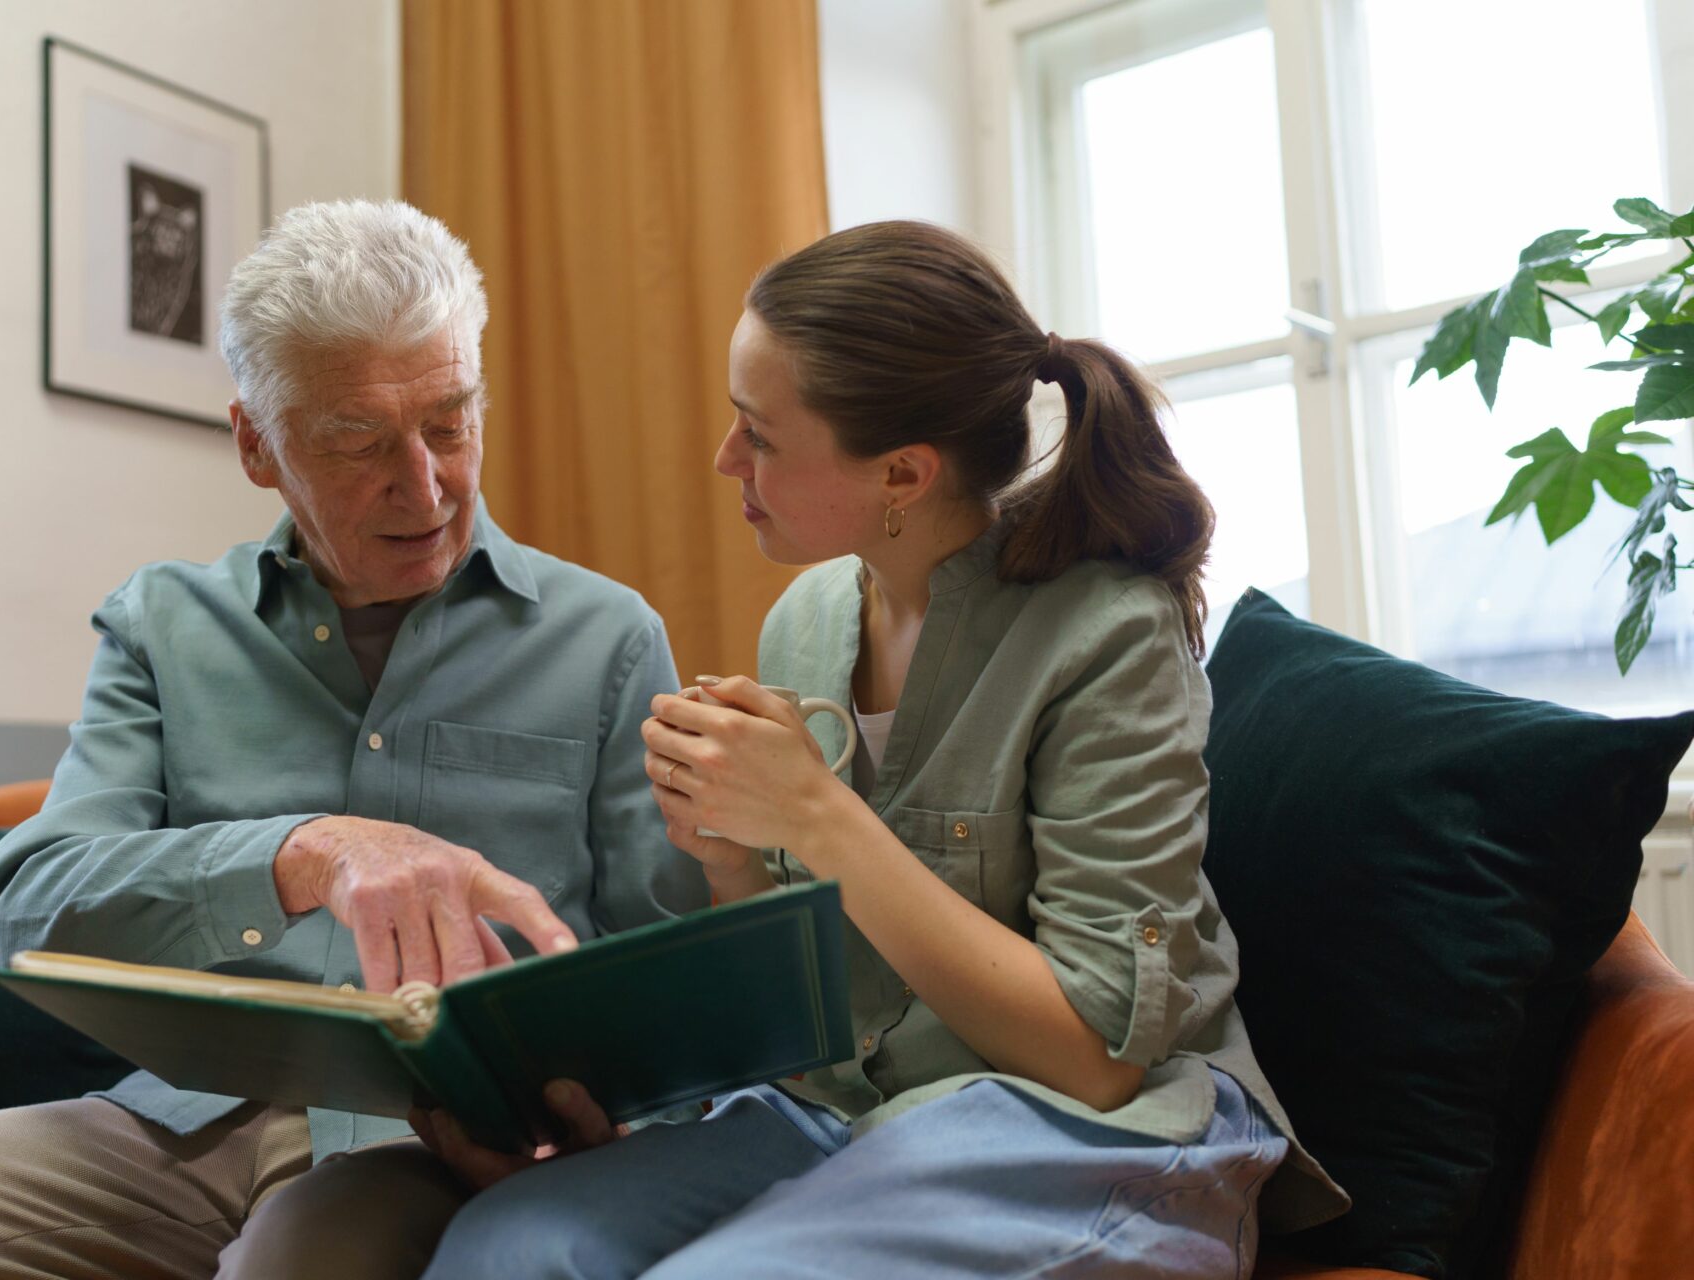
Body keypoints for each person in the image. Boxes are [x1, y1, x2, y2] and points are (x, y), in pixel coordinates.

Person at [0, 200, 706, 1279]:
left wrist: (581, 1118)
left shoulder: (608, 637)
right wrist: (302, 852)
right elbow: (29, 905)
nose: (427, 482)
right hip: (178, 1124)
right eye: (360, 439)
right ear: (258, 445)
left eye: (449, 422)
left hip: (438, 1142)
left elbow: (668, 971)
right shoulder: (164, 624)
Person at [409, 220, 1351, 1278]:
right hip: (852, 1110)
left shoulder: (1111, 634)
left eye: (759, 434)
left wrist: (818, 814)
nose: (726, 460)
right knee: (506, 1247)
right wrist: (730, 852)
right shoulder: (806, 621)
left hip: (1088, 1127)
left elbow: (1095, 1058)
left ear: (902, 472)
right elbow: (820, 1005)